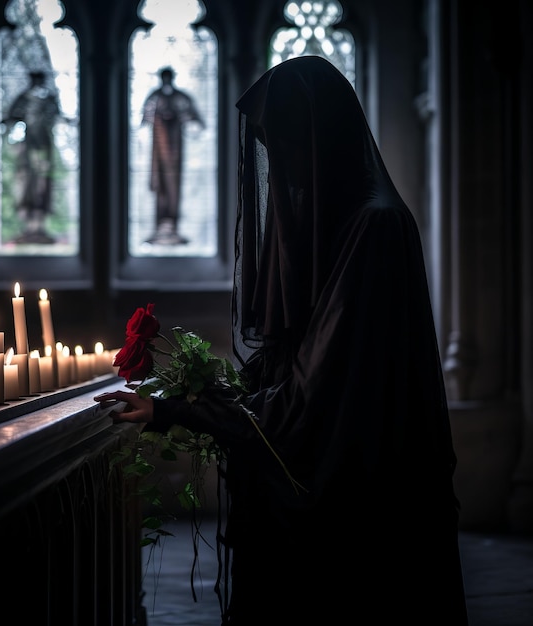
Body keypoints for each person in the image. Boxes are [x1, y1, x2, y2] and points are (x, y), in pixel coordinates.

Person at [100, 56, 469, 624]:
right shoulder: (348, 226)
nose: (282, 174)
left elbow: (313, 401)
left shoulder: (374, 229)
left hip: (361, 512)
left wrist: (177, 409)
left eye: (288, 149)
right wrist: (206, 396)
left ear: (318, 141)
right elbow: (300, 370)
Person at [141, 66, 204, 245]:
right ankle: (160, 224)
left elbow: (195, 118)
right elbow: (144, 118)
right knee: (160, 186)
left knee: (173, 186)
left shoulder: (181, 98)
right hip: (158, 153)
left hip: (176, 152)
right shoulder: (154, 97)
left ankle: (173, 224)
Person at [3, 70, 61, 244]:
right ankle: (30, 227)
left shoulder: (49, 101)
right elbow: (12, 116)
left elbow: (55, 116)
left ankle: (39, 227)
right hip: (27, 150)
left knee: (42, 186)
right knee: (27, 185)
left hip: (43, 148)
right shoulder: (24, 100)